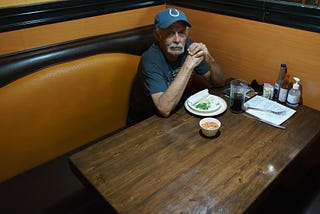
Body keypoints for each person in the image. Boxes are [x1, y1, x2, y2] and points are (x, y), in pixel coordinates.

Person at [127, 8, 225, 125]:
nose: (177, 40)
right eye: (170, 33)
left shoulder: (189, 46)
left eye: (181, 33)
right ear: (157, 35)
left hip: (177, 112)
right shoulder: (150, 59)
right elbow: (164, 109)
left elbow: (219, 82)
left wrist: (209, 59)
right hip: (145, 121)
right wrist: (188, 66)